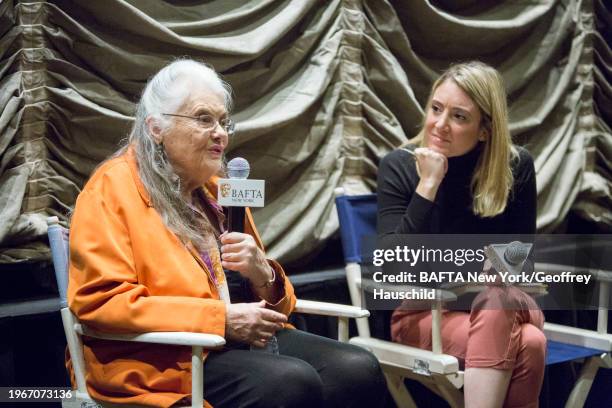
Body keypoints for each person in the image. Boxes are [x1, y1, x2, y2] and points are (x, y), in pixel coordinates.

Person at [68, 58, 387, 408]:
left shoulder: (221, 191)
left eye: (223, 121)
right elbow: (101, 303)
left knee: (356, 366)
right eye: (204, 119)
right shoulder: (112, 187)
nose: (220, 132)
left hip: (234, 343)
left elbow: (282, 304)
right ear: (156, 127)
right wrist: (221, 320)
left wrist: (262, 273)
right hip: (160, 358)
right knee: (289, 382)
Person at [377, 61, 546, 408]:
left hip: (504, 303)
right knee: (530, 343)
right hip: (424, 315)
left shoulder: (516, 168)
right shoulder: (399, 165)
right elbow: (392, 267)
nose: (439, 125)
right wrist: (428, 185)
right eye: (436, 109)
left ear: (485, 130)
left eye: (458, 116)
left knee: (498, 299)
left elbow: (519, 267)